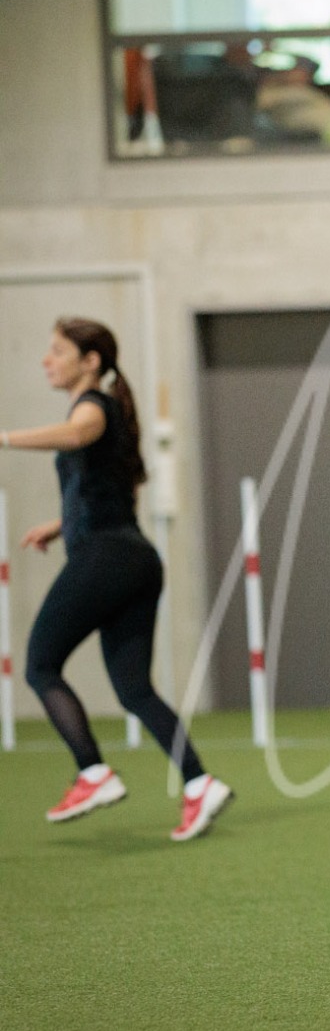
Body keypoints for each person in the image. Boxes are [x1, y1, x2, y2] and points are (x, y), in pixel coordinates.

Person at [1, 320, 233, 842]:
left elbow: (76, 434)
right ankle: (200, 783)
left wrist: (5, 438)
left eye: (57, 351)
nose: (45, 360)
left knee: (40, 665)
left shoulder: (94, 408)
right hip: (133, 558)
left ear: (90, 362)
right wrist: (60, 525)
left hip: (107, 559)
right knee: (134, 690)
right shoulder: (108, 411)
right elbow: (108, 494)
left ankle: (93, 772)